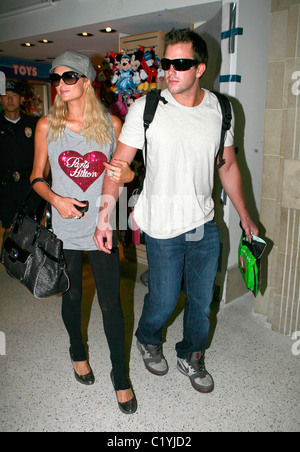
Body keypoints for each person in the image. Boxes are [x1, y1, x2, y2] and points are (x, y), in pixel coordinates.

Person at [94, 28, 259, 395]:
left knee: (202, 302)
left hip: (203, 222)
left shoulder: (221, 109)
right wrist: (104, 216)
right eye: (166, 63)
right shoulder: (147, 108)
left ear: (200, 68)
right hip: (162, 224)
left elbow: (227, 166)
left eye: (180, 64)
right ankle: (148, 337)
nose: (170, 70)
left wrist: (245, 215)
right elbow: (117, 165)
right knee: (164, 299)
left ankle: (191, 354)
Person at [30, 50, 137, 414]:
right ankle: (77, 352)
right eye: (55, 78)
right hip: (62, 230)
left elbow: (123, 175)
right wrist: (56, 199)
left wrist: (130, 175)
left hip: (101, 228)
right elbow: (36, 177)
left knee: (111, 304)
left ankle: (120, 376)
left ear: (87, 82)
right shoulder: (47, 126)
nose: (60, 84)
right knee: (72, 298)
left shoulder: (113, 126)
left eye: (69, 77)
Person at [0, 81, 40, 237]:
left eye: (14, 95)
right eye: (5, 96)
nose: (10, 100)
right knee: (9, 229)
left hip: (29, 185)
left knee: (30, 228)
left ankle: (30, 261)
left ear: (21, 99)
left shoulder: (33, 124)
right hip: (5, 187)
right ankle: (7, 261)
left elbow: (43, 154)